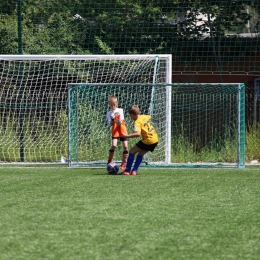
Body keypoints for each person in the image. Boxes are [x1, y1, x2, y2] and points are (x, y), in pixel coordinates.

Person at [119, 105, 158, 175]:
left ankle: (127, 171)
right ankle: (134, 171)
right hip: (155, 139)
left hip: (148, 140)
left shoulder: (137, 122)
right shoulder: (144, 116)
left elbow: (137, 134)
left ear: (132, 115)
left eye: (130, 115)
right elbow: (150, 116)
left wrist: (126, 136)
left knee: (131, 151)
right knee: (141, 153)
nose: (130, 117)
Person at [106, 96, 128, 169]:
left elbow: (120, 122)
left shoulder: (120, 110)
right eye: (111, 105)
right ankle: (109, 160)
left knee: (125, 146)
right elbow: (110, 124)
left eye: (114, 104)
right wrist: (112, 119)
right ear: (109, 105)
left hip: (122, 129)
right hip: (115, 130)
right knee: (114, 145)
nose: (113, 106)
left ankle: (124, 162)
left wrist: (116, 119)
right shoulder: (109, 113)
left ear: (117, 104)